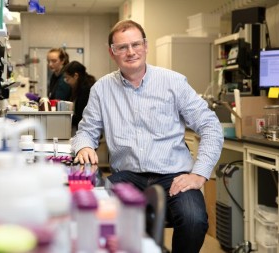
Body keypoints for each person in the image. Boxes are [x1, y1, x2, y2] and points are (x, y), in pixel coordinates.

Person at [71, 20, 224, 253]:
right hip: (127, 175)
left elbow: (210, 126)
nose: (130, 52)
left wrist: (199, 174)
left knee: (194, 220)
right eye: (122, 47)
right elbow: (87, 131)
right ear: (112, 52)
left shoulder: (173, 82)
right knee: (95, 212)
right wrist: (84, 147)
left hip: (173, 174)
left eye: (135, 44)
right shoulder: (101, 89)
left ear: (145, 46)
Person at [63, 61, 96, 133]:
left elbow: (81, 117)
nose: (67, 81)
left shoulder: (86, 90)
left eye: (67, 78)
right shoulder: (76, 87)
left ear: (76, 76)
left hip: (86, 131)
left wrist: (63, 118)